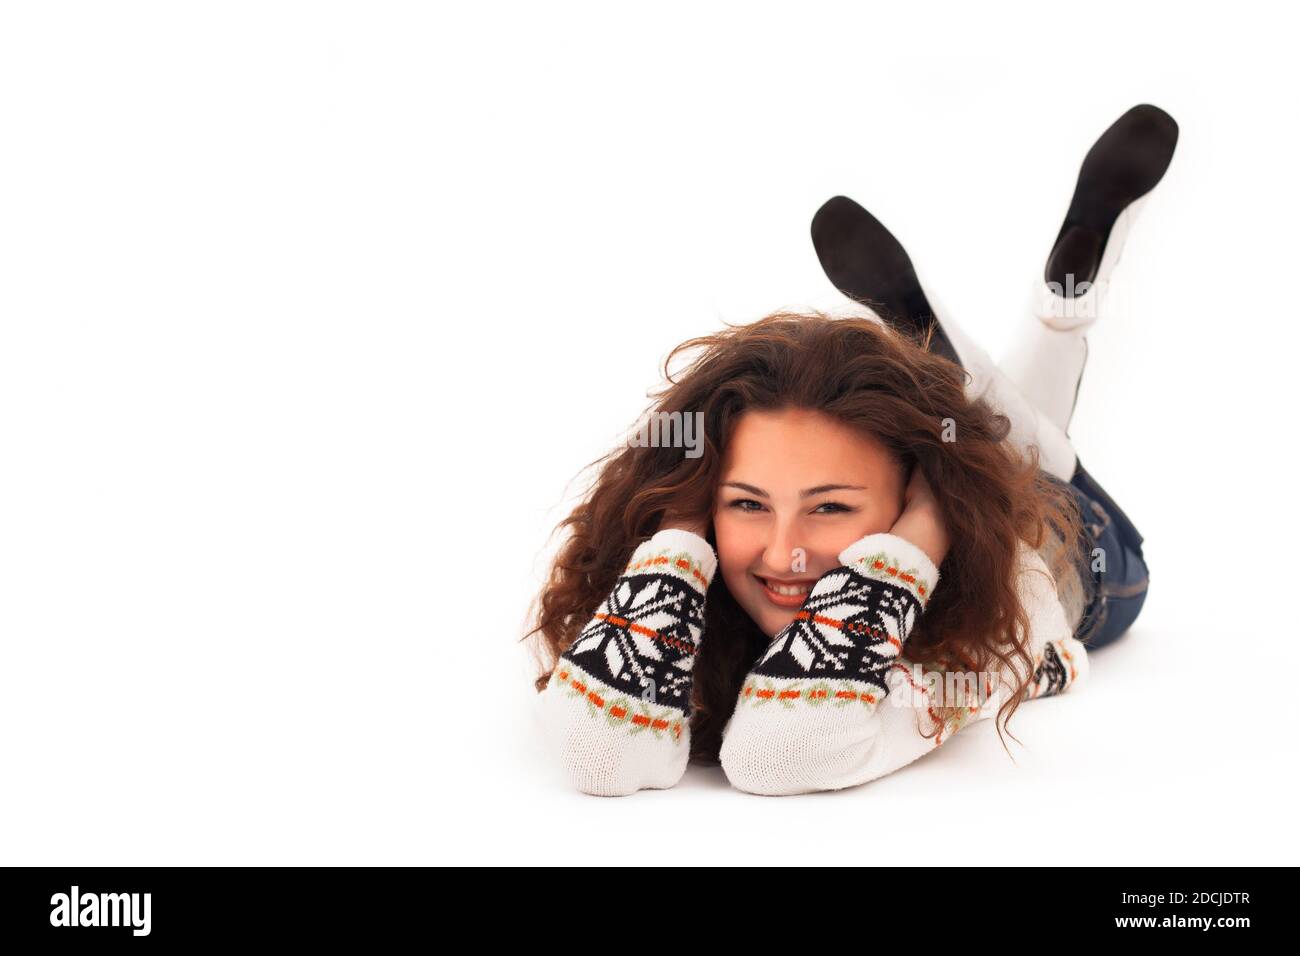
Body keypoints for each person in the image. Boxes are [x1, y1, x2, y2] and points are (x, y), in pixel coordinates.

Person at [526, 104, 1177, 796]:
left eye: (829, 507)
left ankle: (1021, 339)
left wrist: (932, 522)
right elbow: (596, 753)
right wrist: (683, 524)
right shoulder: (649, 574)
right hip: (957, 463)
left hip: (1079, 554)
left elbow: (781, 754)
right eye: (747, 502)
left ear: (916, 497)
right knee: (990, 432)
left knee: (1029, 459)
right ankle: (980, 355)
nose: (784, 554)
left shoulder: (1003, 600)